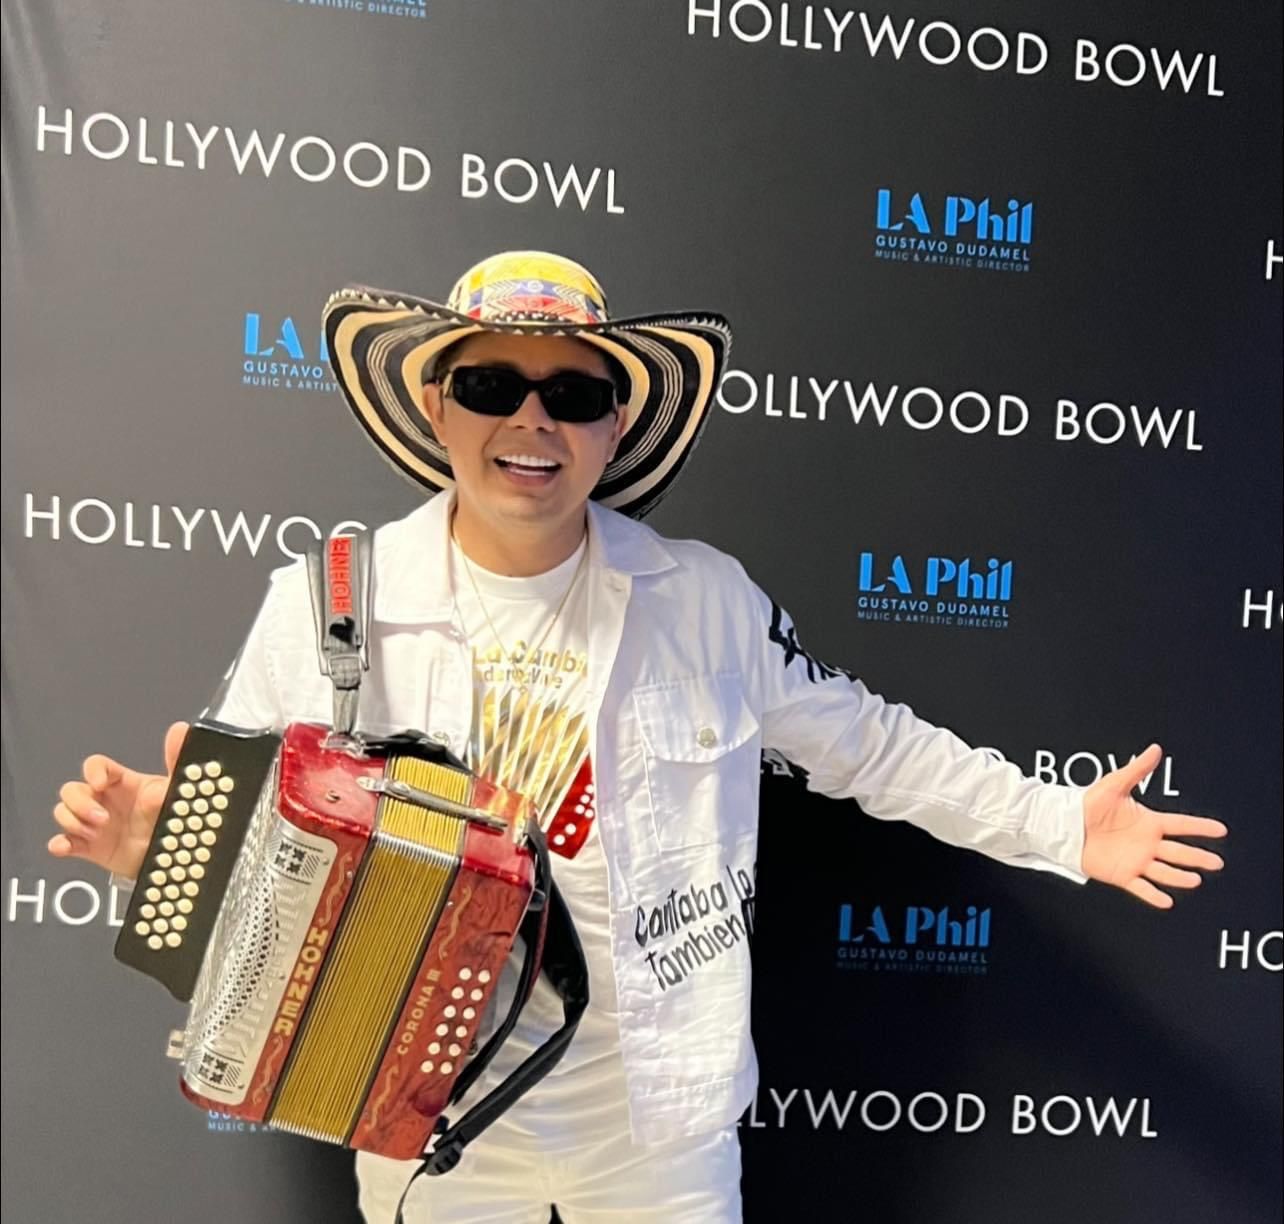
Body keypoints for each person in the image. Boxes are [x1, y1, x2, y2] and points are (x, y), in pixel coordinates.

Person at [48, 251, 1227, 1224]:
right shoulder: (327, 599)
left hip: (659, 1126)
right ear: (434, 404)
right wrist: (165, 857)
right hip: (426, 1119)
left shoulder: (704, 598)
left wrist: (1060, 822)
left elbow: (868, 746)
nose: (530, 420)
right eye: (492, 383)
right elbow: (245, 882)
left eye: (570, 394)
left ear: (616, 424)